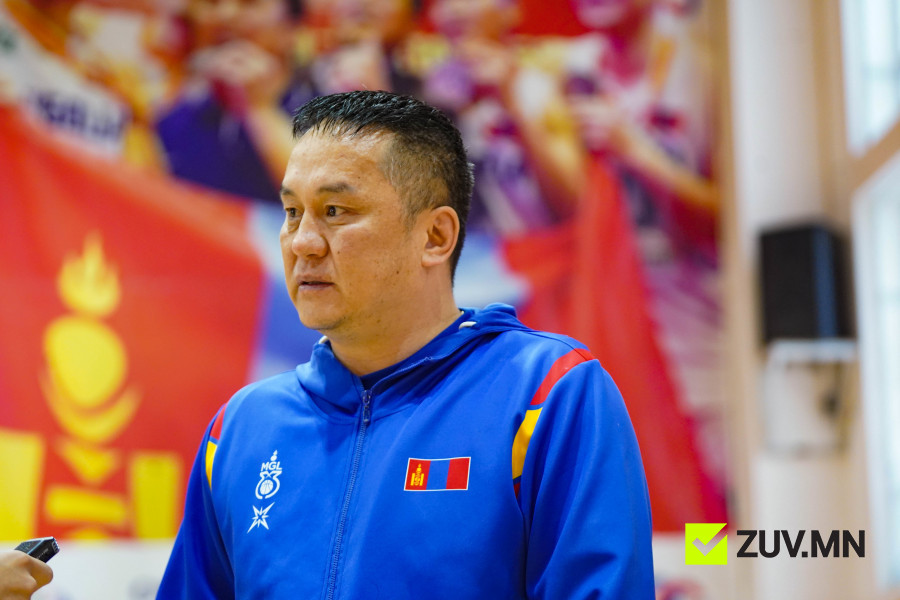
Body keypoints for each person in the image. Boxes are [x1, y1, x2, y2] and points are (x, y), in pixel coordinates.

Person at [157, 90, 654, 599]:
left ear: (435, 236)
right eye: (291, 211)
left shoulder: (547, 393)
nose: (302, 241)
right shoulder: (240, 427)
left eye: (334, 210)